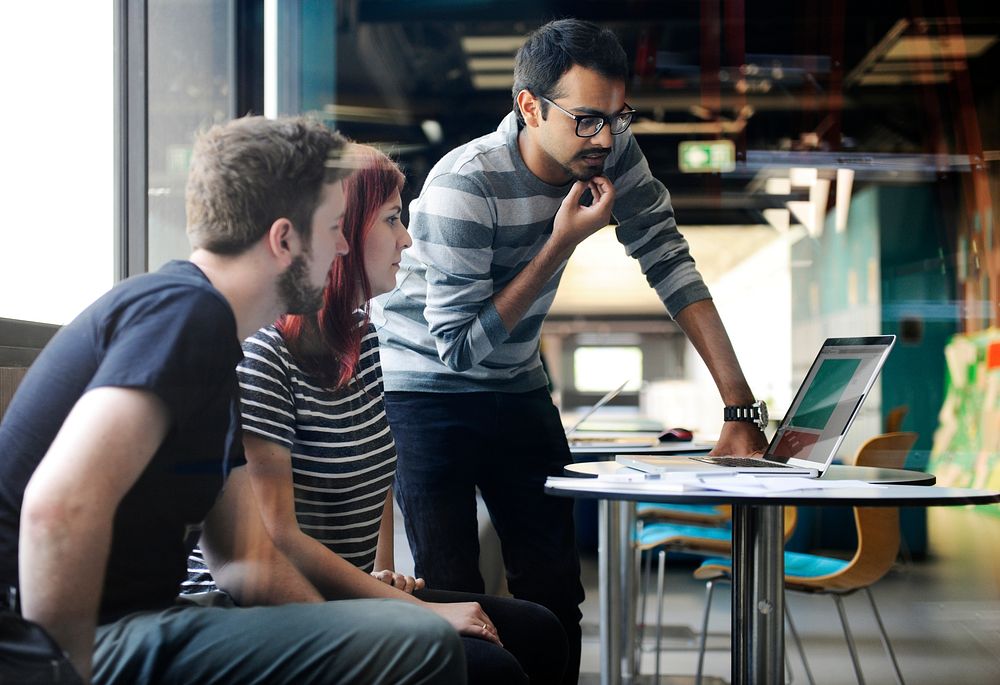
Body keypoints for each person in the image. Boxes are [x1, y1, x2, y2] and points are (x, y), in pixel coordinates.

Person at [372, 18, 770, 683]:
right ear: (529, 107)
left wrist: (740, 406)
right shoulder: (461, 188)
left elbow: (669, 260)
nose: (608, 138)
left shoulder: (612, 152)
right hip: (424, 388)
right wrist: (560, 241)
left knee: (556, 592)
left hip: (519, 384)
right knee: (450, 588)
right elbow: (461, 350)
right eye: (588, 120)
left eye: (619, 117)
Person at [0, 116, 465, 685]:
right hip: (54, 642)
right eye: (335, 227)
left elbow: (244, 560)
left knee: (403, 640)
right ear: (284, 239)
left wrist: (351, 634)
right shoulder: (182, 316)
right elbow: (56, 509)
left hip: (139, 618)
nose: (344, 245)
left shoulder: (217, 339)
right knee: (422, 646)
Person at [184, 144, 568, 684]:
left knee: (538, 628)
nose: (407, 239)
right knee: (490, 668)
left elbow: (379, 473)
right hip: (260, 608)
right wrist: (409, 614)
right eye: (391, 219)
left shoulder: (362, 341)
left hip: (341, 592)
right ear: (339, 232)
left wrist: (382, 574)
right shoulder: (261, 352)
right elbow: (272, 543)